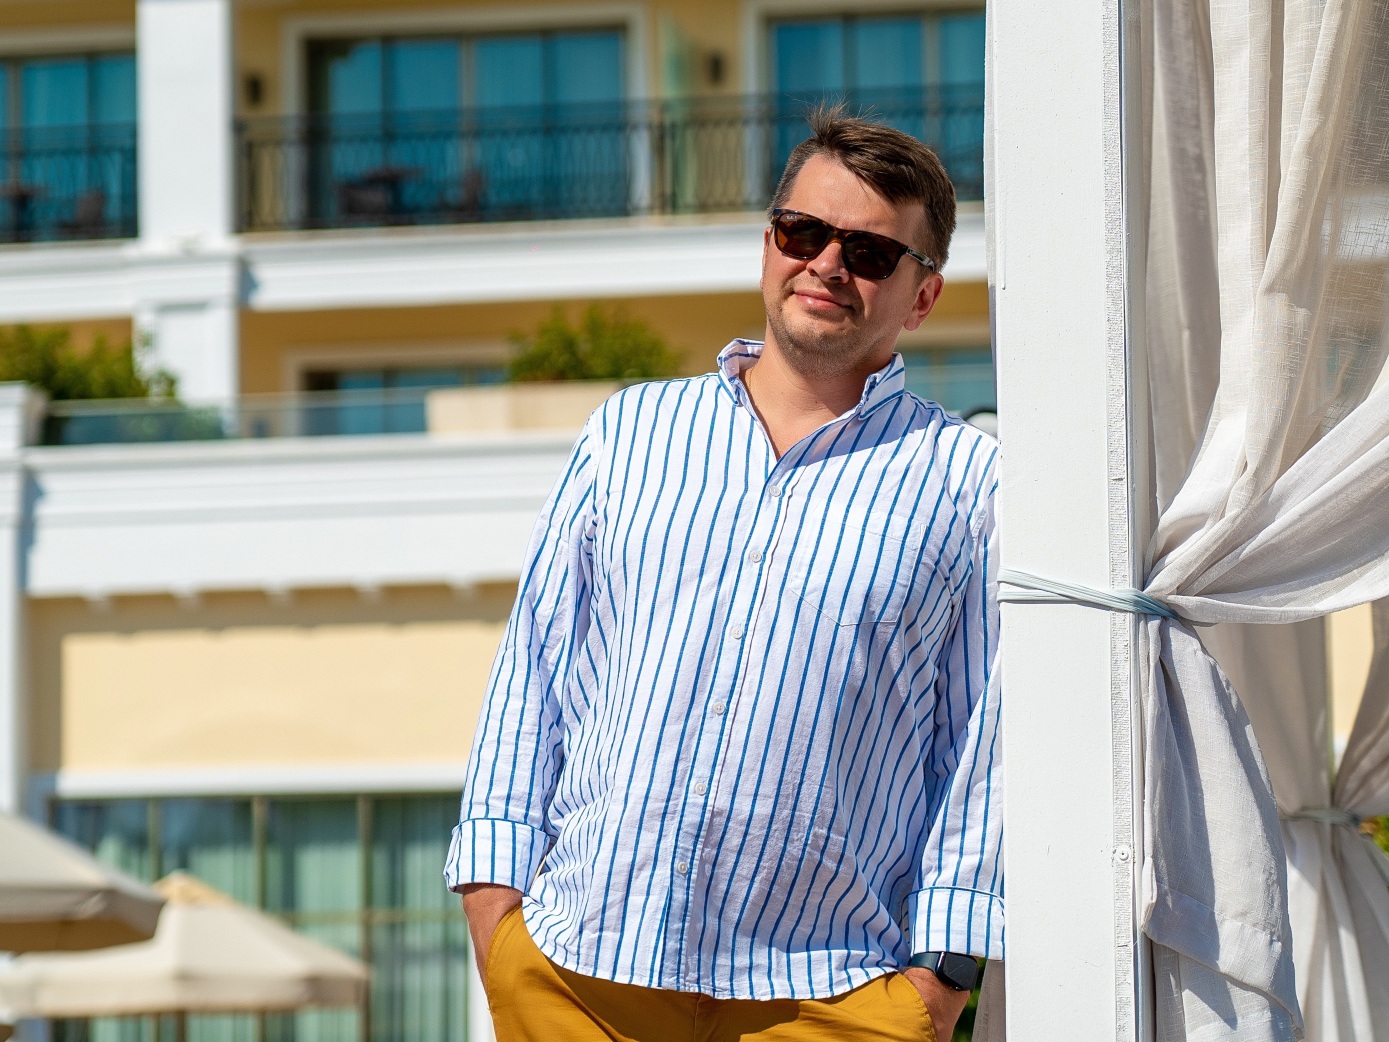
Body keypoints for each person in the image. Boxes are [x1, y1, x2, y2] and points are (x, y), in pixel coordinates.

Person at [445, 109, 1002, 1042]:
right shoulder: (630, 432)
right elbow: (533, 672)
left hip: (830, 997)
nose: (827, 264)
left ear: (922, 296)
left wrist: (940, 977)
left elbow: (982, 740)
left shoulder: (968, 482)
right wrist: (494, 910)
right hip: (577, 976)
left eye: (869, 253)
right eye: (802, 232)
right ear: (768, 244)